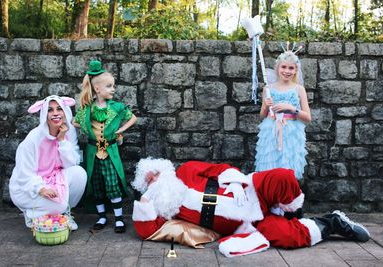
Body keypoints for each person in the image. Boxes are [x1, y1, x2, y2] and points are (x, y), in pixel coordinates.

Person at [131, 157, 370, 257]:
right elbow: (146, 231)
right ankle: (333, 222)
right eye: (147, 181)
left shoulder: (185, 170)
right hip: (246, 223)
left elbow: (217, 168)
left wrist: (235, 182)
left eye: (153, 174)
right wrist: (144, 204)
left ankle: (292, 211)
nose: (153, 180)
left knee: (282, 178)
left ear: (162, 167)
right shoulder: (165, 210)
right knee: (286, 236)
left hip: (249, 191)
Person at [74, 60, 137, 233]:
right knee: (97, 185)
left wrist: (120, 129)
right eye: (109, 86)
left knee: (112, 184)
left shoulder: (117, 107)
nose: (113, 89)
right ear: (97, 89)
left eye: (113, 86)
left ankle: (118, 219)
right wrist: (88, 129)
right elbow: (75, 122)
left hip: (110, 152)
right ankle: (101, 217)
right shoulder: (87, 109)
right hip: (93, 153)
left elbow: (132, 118)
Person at [9, 95, 87, 231]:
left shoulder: (68, 132)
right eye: (50, 110)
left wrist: (62, 141)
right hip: (27, 187)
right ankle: (31, 214)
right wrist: (41, 188)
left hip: (53, 178)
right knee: (59, 204)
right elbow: (24, 175)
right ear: (45, 114)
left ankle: (65, 213)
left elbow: (72, 163)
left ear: (65, 111)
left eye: (59, 109)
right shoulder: (32, 140)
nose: (55, 113)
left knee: (79, 173)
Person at [255, 45, 311, 180]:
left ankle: (285, 198)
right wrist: (265, 106)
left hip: (291, 131)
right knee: (270, 166)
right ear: (278, 68)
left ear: (296, 70)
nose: (287, 71)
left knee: (288, 167)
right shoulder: (268, 89)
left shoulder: (299, 89)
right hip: (271, 130)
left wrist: (292, 108)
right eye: (283, 67)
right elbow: (262, 116)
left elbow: (308, 117)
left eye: (291, 68)